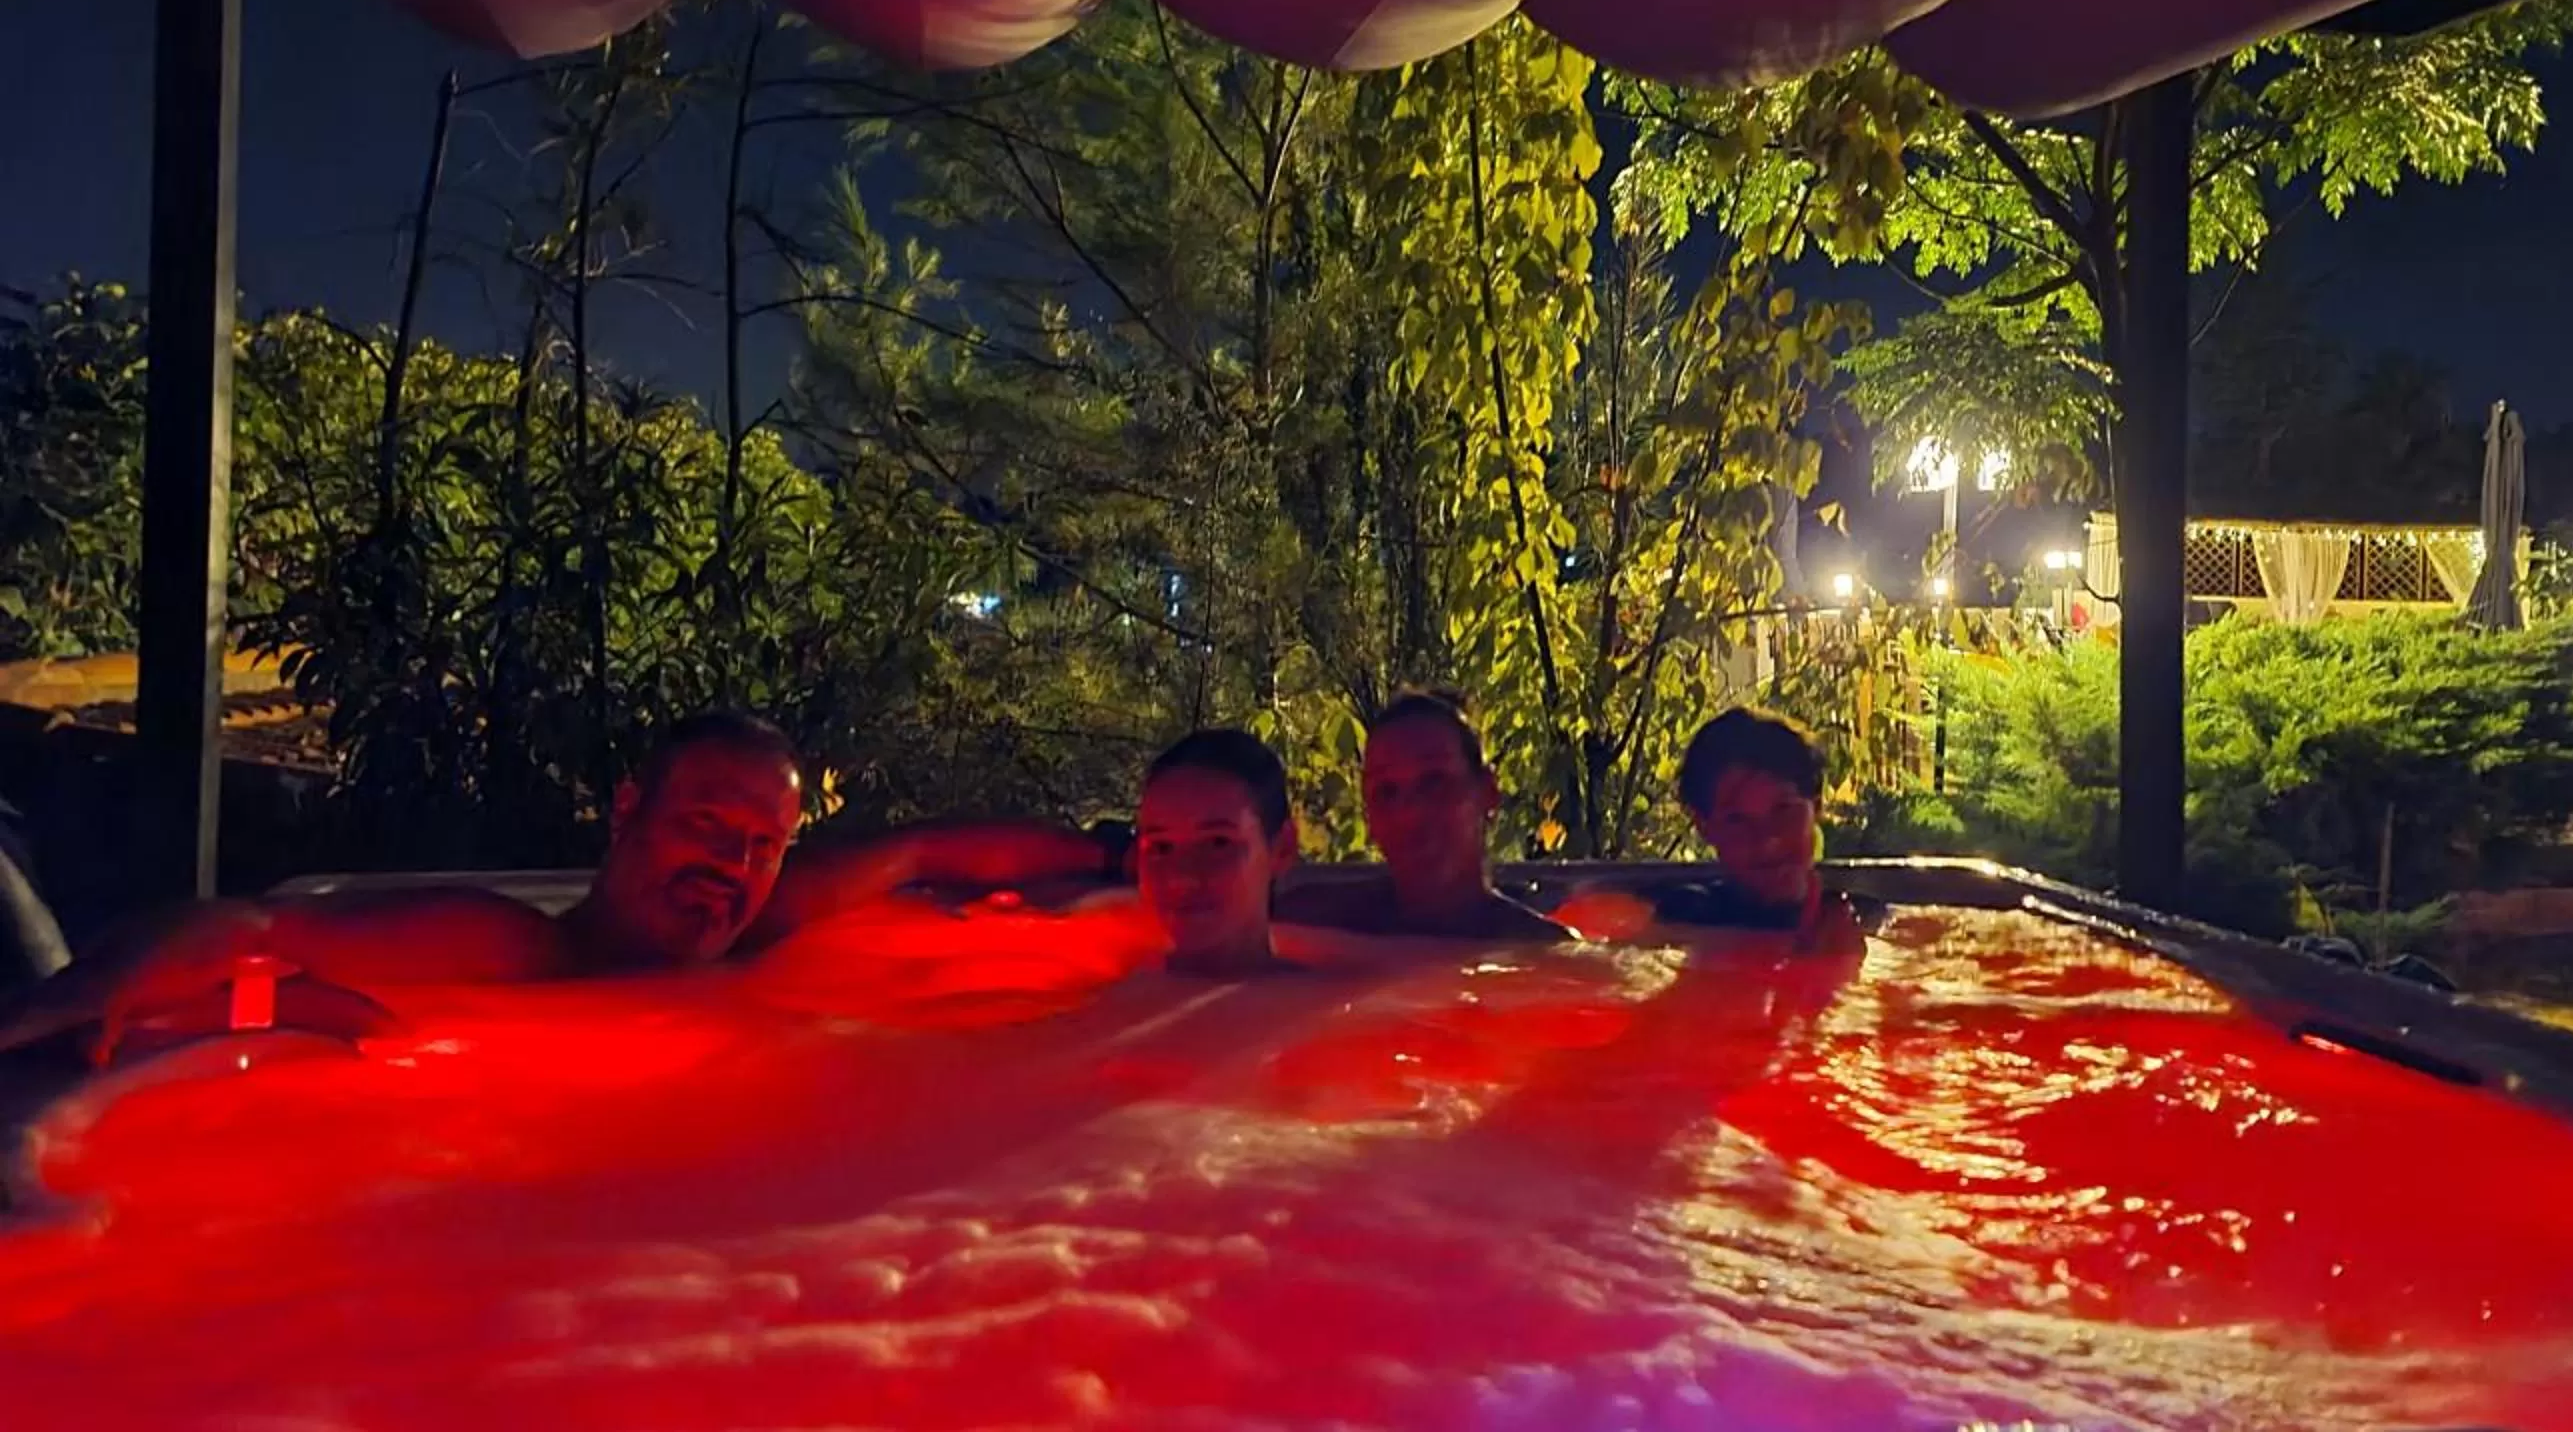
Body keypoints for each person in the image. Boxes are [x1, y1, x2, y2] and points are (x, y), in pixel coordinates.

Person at [0, 711, 1114, 1060]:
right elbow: (253, 926)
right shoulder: (510, 953)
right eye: (705, 825)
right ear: (627, 809)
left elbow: (930, 851)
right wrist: (81, 993)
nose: (730, 865)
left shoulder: (774, 926)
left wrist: (1125, 862)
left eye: (760, 843)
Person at [1274, 691, 1568, 940]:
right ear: (1369, 818)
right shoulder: (1308, 924)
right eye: (1386, 792)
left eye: (1434, 782)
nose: (1410, 812)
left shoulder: (1543, 953)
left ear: (1487, 793)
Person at [1641, 707, 1874, 945]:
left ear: (1816, 807)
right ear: (1706, 827)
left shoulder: (1862, 919)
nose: (1767, 840)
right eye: (1737, 820)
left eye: (1782, 809)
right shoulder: (1688, 918)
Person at [1133, 728, 1306, 975]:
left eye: (1217, 843)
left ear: (1282, 849)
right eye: (1161, 847)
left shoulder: (1327, 1003)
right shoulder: (1103, 998)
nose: (1182, 878)